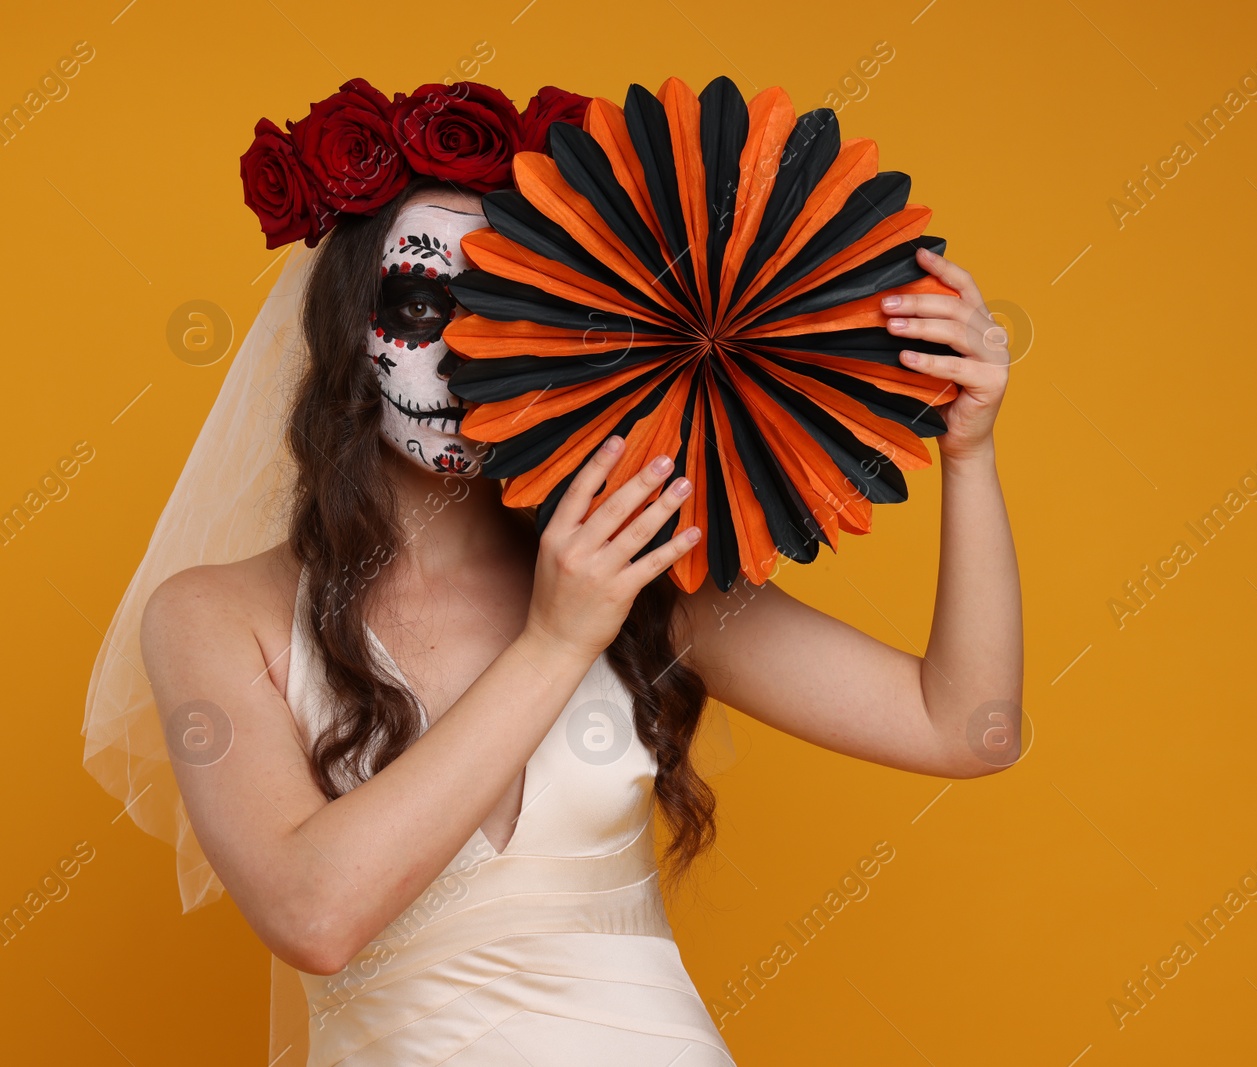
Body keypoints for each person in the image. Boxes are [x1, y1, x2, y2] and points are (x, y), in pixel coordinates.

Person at [92, 85, 1021, 1067]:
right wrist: (555, 639)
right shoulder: (212, 614)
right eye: (419, 305)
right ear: (342, 338)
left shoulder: (640, 566)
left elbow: (964, 724)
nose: (461, 351)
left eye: (500, 303)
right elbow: (316, 915)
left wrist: (969, 454)